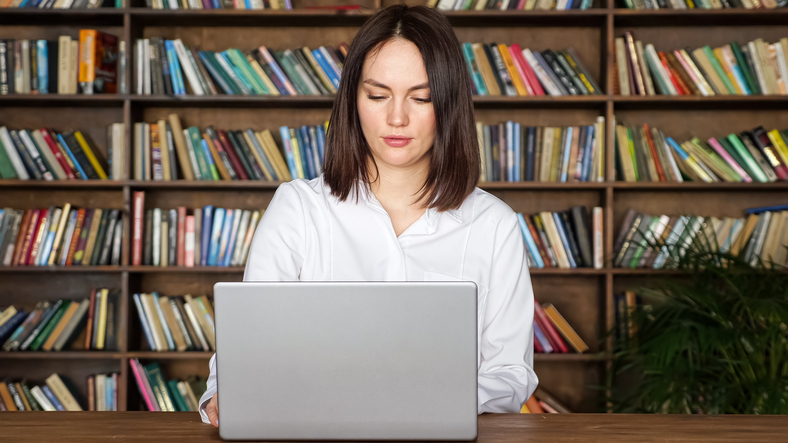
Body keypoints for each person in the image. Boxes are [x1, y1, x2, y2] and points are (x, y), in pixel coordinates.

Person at [199, 4, 538, 427]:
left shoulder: (493, 225)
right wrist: (227, 392)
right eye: (378, 96)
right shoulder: (299, 210)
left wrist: (425, 401)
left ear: (448, 104)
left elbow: (510, 374)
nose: (397, 117)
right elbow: (249, 351)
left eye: (422, 97)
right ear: (353, 99)